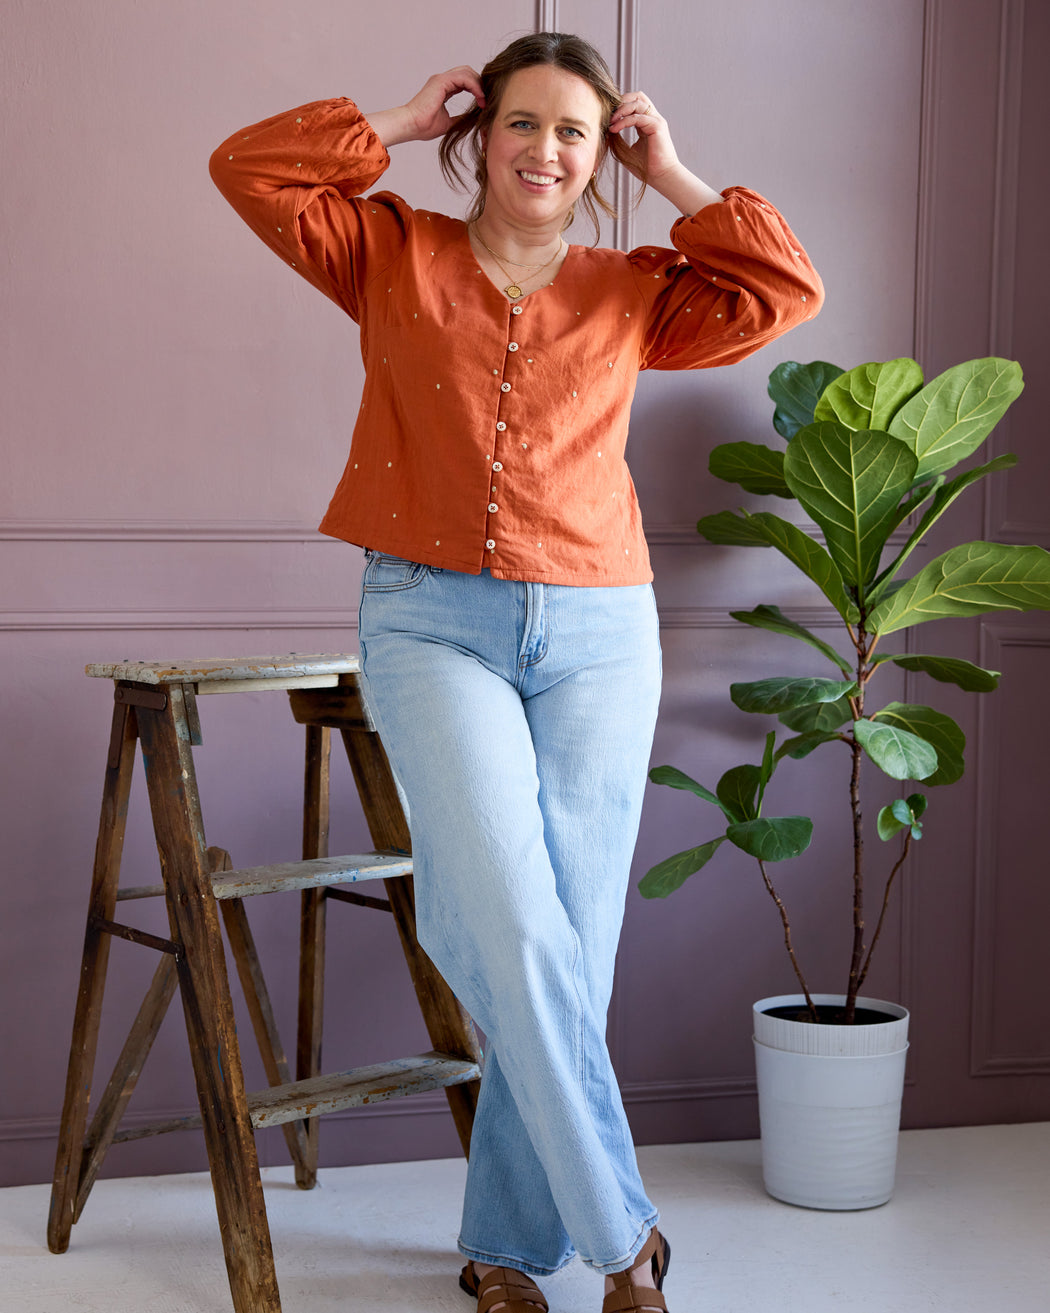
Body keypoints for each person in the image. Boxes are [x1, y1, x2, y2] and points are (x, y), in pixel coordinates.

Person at [210, 31, 822, 1313]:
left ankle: (500, 1247)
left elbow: (783, 286)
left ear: (601, 157)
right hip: (431, 623)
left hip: (602, 630)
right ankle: (623, 1234)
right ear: (479, 136)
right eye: (523, 122)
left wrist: (676, 172)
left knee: (568, 947)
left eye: (576, 132)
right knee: (507, 916)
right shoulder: (387, 252)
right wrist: (393, 110)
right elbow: (252, 169)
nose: (546, 148)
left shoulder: (637, 285)